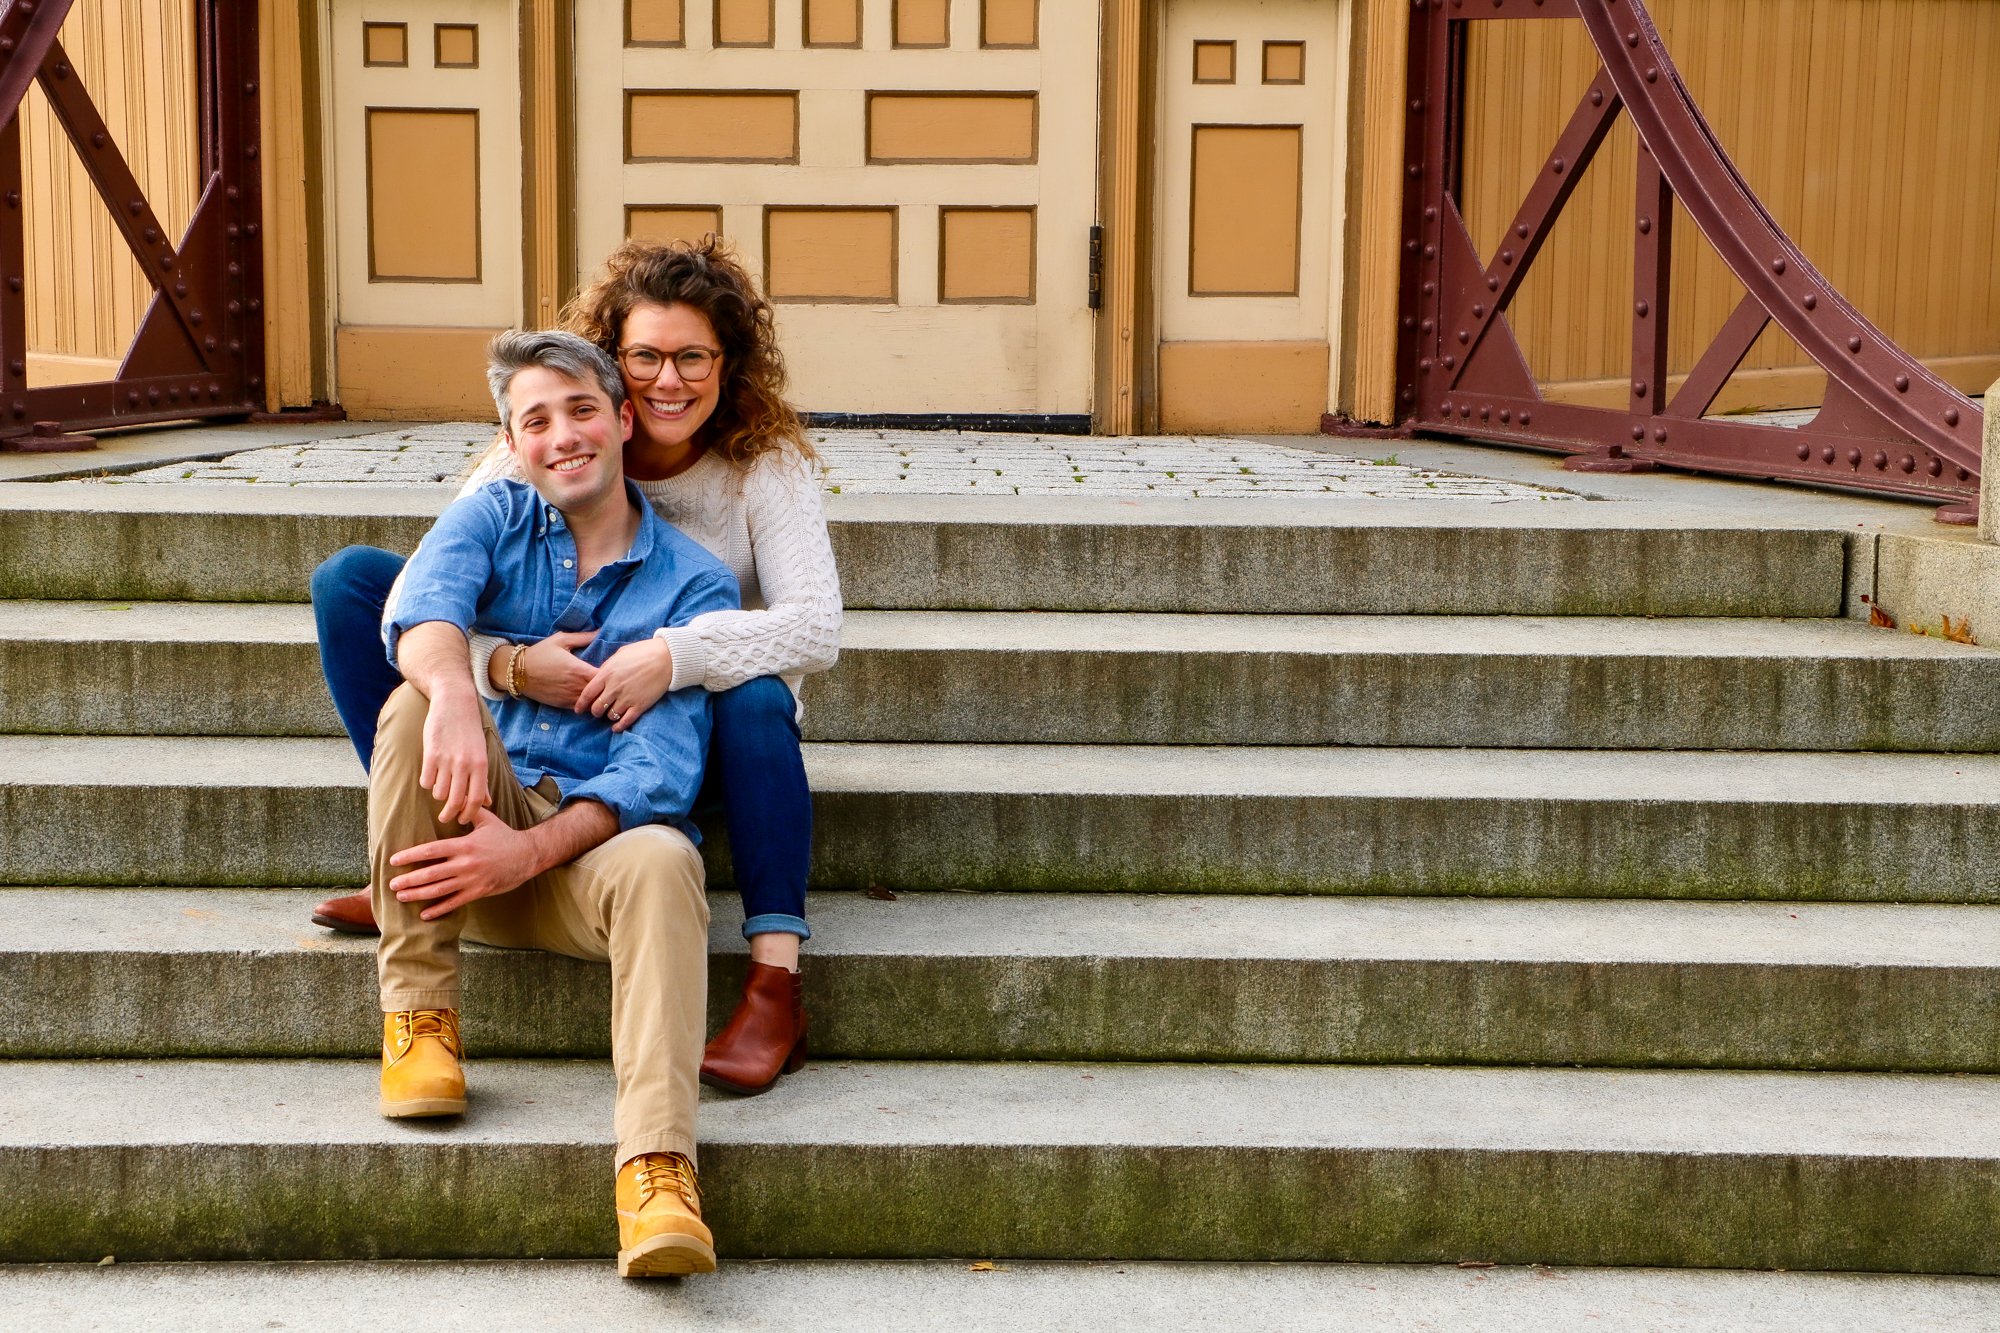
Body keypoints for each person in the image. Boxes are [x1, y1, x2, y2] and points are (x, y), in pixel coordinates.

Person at [311, 237, 839, 1096]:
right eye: (645, 357)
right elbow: (426, 592)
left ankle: (775, 982)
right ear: (613, 364)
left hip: (675, 736)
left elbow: (816, 628)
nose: (669, 380)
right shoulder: (552, 431)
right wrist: (513, 667)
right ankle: (413, 847)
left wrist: (672, 656)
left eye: (693, 357)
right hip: (529, 722)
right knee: (354, 585)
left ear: (728, 362)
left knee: (754, 699)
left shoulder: (761, 468)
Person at [374, 328, 735, 1277]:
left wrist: (527, 854)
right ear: (513, 440)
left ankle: (657, 1170)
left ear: (622, 420)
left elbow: (660, 773)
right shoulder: (492, 513)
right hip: (468, 840)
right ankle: (420, 1019)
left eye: (581, 409)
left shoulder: (693, 581)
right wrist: (464, 689)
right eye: (536, 420)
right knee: (414, 701)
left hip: (581, 872)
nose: (563, 435)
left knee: (667, 853)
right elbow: (421, 608)